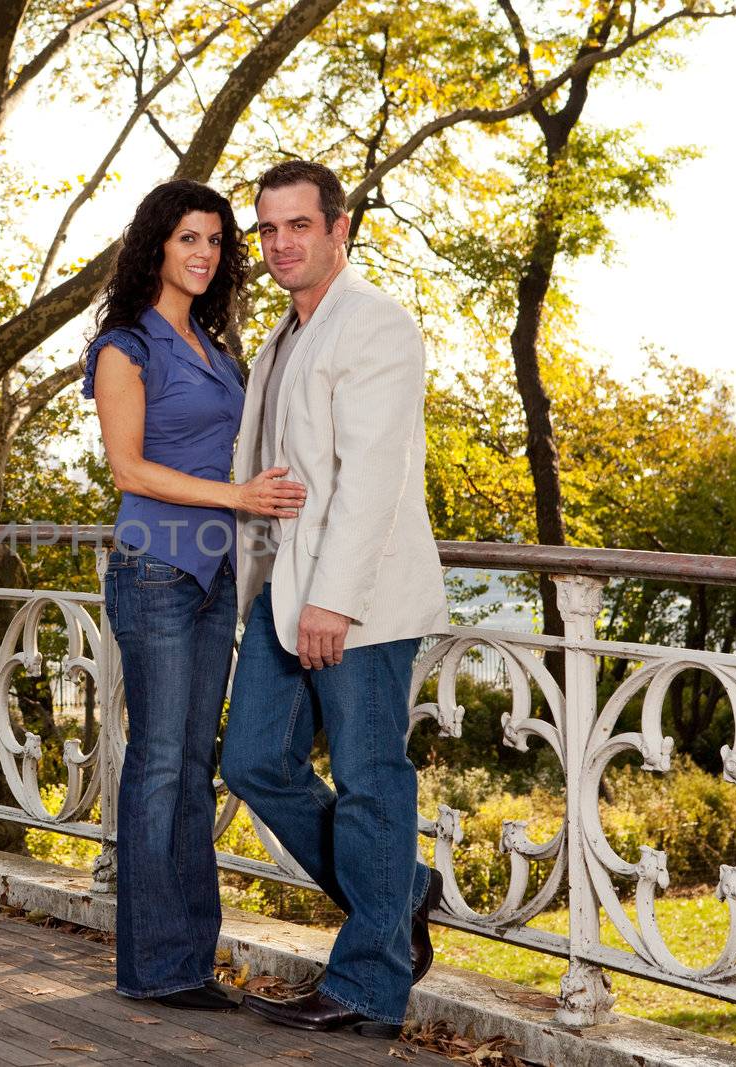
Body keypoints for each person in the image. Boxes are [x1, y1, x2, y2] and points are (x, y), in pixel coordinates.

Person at [221, 160, 449, 1038]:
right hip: (284, 590)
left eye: (298, 226)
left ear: (338, 227)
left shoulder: (376, 325)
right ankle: (400, 891)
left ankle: (367, 985)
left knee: (368, 780)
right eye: (268, 230)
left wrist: (335, 600)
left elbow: (372, 479)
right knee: (252, 762)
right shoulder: (283, 337)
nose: (281, 244)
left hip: (355, 602)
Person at [84, 179, 306, 1010]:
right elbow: (129, 469)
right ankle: (154, 967)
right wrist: (239, 499)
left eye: (215, 240)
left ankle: (188, 960)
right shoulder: (125, 346)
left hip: (216, 578)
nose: (205, 253)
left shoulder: (218, 347)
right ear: (156, 246)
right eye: (188, 239)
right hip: (155, 571)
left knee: (194, 765)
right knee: (158, 764)